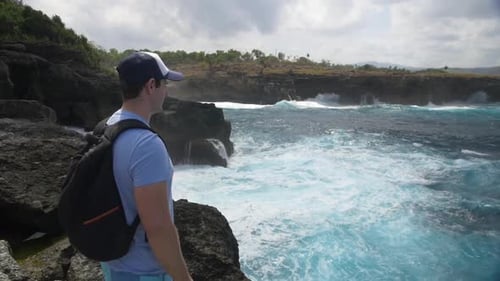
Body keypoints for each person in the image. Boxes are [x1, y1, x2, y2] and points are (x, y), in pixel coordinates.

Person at [100, 51, 193, 281]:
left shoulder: (106, 127)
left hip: (113, 265)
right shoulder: (146, 146)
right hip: (144, 273)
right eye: (165, 83)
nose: (166, 90)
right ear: (151, 86)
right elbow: (158, 229)